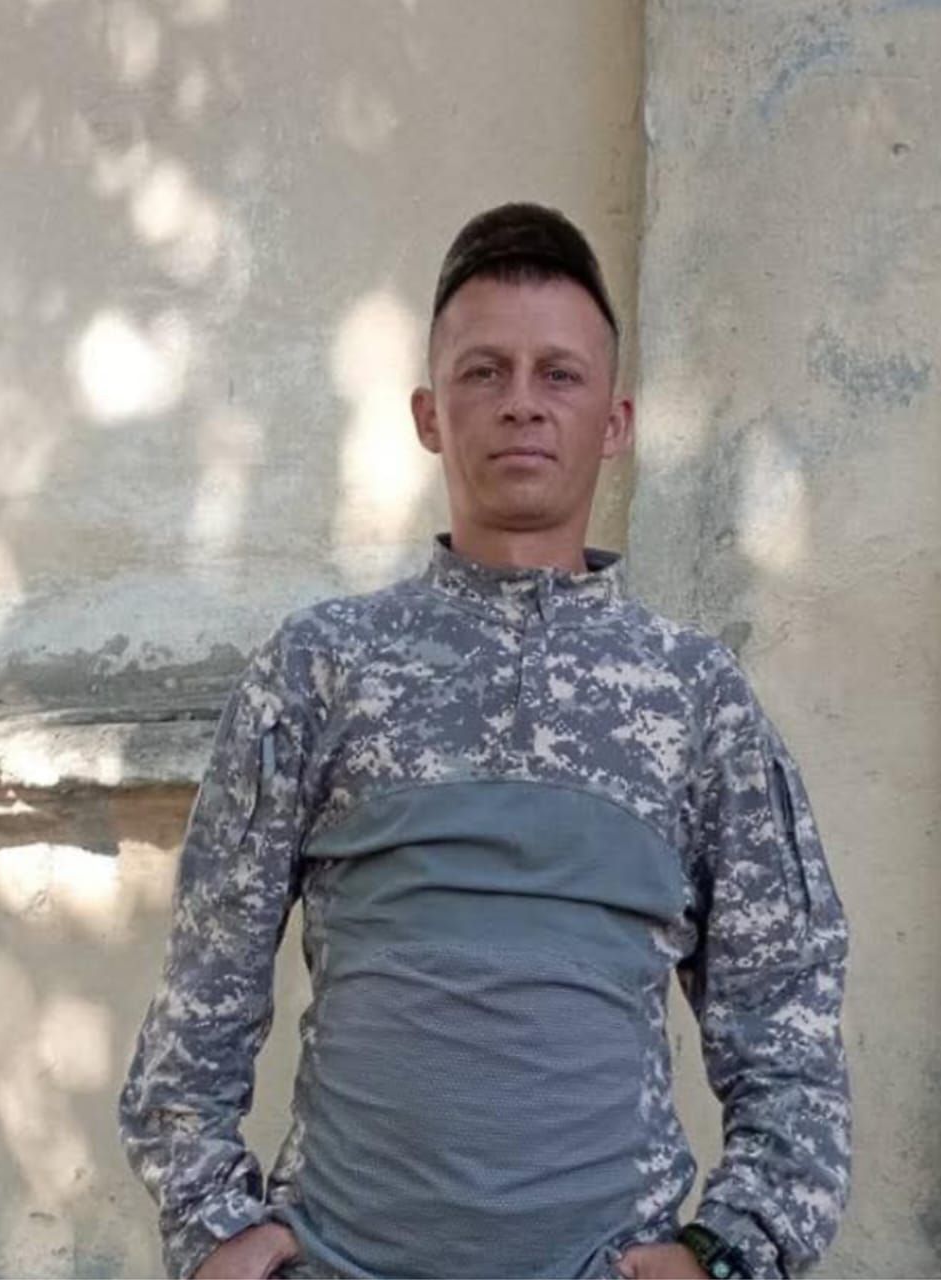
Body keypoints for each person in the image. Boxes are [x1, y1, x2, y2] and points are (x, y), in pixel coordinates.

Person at [119, 203, 851, 1280]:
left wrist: (731, 1250)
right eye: (483, 371)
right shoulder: (322, 667)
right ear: (429, 413)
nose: (521, 402)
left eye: (560, 374)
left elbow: (786, 1012)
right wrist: (211, 1222)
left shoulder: (696, 696)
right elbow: (205, 980)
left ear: (615, 421)